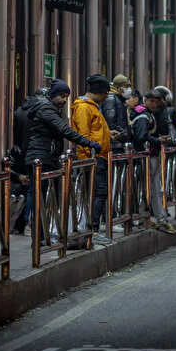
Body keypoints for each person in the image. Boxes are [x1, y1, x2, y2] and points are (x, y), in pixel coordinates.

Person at [24, 79, 102, 239]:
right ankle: (38, 239)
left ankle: (42, 237)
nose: (64, 100)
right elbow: (64, 129)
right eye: (61, 96)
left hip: (45, 157)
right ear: (53, 95)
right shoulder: (46, 109)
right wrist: (88, 143)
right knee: (41, 197)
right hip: (41, 158)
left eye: (66, 96)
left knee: (44, 197)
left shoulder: (48, 108)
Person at [70, 74, 113, 244]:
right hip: (91, 158)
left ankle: (92, 229)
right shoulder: (84, 108)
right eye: (105, 93)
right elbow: (83, 134)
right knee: (97, 193)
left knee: (98, 193)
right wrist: (89, 156)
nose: (105, 97)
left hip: (98, 156)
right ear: (99, 92)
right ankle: (92, 231)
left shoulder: (92, 107)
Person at [131, 89, 176, 234]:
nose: (154, 104)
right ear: (145, 100)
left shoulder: (144, 114)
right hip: (148, 156)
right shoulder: (144, 116)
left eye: (156, 102)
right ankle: (151, 219)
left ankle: (151, 219)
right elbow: (141, 137)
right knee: (151, 189)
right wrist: (157, 140)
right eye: (151, 101)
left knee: (151, 189)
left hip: (150, 156)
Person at [9, 87, 49, 235]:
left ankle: (23, 223)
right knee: (35, 189)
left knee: (30, 189)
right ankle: (30, 222)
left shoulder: (19, 111)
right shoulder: (39, 112)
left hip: (22, 154)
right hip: (36, 154)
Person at [101, 74, 133, 153]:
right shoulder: (111, 98)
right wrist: (123, 134)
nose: (129, 89)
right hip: (115, 143)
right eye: (126, 86)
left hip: (119, 143)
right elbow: (111, 123)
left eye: (129, 86)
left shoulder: (119, 99)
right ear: (118, 87)